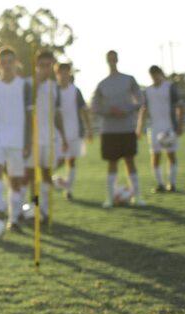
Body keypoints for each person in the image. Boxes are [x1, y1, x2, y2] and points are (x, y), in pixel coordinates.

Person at [0, 46, 33, 231]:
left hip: (18, 140)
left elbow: (29, 115)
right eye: (3, 62)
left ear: (15, 62)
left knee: (15, 181)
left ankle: (14, 218)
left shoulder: (24, 85)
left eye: (10, 61)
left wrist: (28, 141)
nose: (7, 65)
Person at [91, 50, 144, 207]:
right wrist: (108, 111)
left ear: (117, 60)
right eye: (109, 60)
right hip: (109, 130)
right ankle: (109, 197)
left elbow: (140, 100)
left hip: (127, 128)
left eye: (114, 59)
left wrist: (127, 109)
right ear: (107, 61)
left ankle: (137, 196)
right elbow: (94, 106)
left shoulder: (129, 80)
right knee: (112, 163)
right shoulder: (102, 84)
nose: (112, 62)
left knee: (130, 161)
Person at [30, 50, 68, 221]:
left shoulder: (54, 87)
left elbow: (58, 114)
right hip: (31, 138)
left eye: (49, 66)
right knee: (31, 175)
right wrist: (38, 78)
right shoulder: (29, 83)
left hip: (49, 137)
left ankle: (43, 209)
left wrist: (64, 136)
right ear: (37, 66)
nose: (46, 69)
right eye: (42, 65)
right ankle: (34, 207)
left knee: (46, 174)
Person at [139, 65, 184, 192]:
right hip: (154, 129)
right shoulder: (147, 91)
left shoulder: (169, 87)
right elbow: (144, 110)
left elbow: (180, 107)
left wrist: (180, 125)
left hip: (169, 128)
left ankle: (172, 184)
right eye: (152, 75)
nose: (155, 77)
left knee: (171, 154)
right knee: (155, 156)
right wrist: (139, 127)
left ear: (161, 74)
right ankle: (160, 184)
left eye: (157, 74)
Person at [53, 62, 91, 200]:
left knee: (71, 161)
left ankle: (68, 188)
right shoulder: (53, 91)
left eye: (66, 72)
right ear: (57, 74)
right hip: (57, 133)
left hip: (75, 130)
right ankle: (48, 180)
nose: (63, 75)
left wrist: (88, 128)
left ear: (69, 73)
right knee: (59, 160)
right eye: (60, 72)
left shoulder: (75, 90)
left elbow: (83, 110)